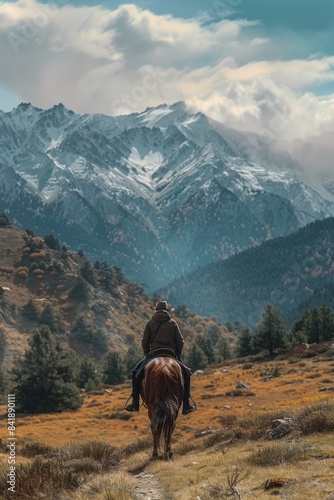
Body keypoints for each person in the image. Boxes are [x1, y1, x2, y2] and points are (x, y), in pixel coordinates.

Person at [124, 300, 196, 415]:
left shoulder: (150, 322)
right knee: (187, 373)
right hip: (171, 353)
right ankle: (187, 404)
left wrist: (148, 353)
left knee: (135, 372)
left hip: (155, 353)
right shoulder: (173, 322)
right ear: (166, 310)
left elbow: (145, 341)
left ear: (156, 310)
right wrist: (177, 354)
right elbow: (180, 341)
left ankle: (135, 402)